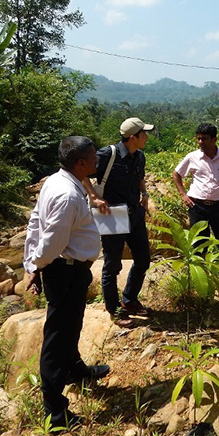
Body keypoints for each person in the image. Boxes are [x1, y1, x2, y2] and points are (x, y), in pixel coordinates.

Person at [23, 136, 110, 429]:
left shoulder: (57, 182)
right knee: (58, 336)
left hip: (72, 269)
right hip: (65, 271)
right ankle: (55, 411)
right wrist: (35, 265)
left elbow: (36, 221)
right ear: (81, 163)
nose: (97, 161)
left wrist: (32, 261)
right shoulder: (68, 195)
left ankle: (75, 369)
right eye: (93, 158)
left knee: (72, 324)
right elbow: (51, 241)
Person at [84, 117, 154, 327]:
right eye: (144, 133)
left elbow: (140, 177)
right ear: (133, 137)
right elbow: (82, 174)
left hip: (134, 213)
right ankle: (114, 310)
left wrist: (144, 193)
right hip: (112, 214)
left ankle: (129, 301)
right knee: (112, 265)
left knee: (143, 259)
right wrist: (95, 198)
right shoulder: (108, 154)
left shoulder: (139, 156)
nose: (147, 137)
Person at [172, 123, 219, 299]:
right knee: (199, 246)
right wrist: (183, 194)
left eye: (204, 139)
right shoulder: (192, 157)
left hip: (218, 207)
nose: (200, 142)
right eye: (198, 138)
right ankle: (204, 287)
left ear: (214, 139)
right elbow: (177, 174)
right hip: (196, 206)